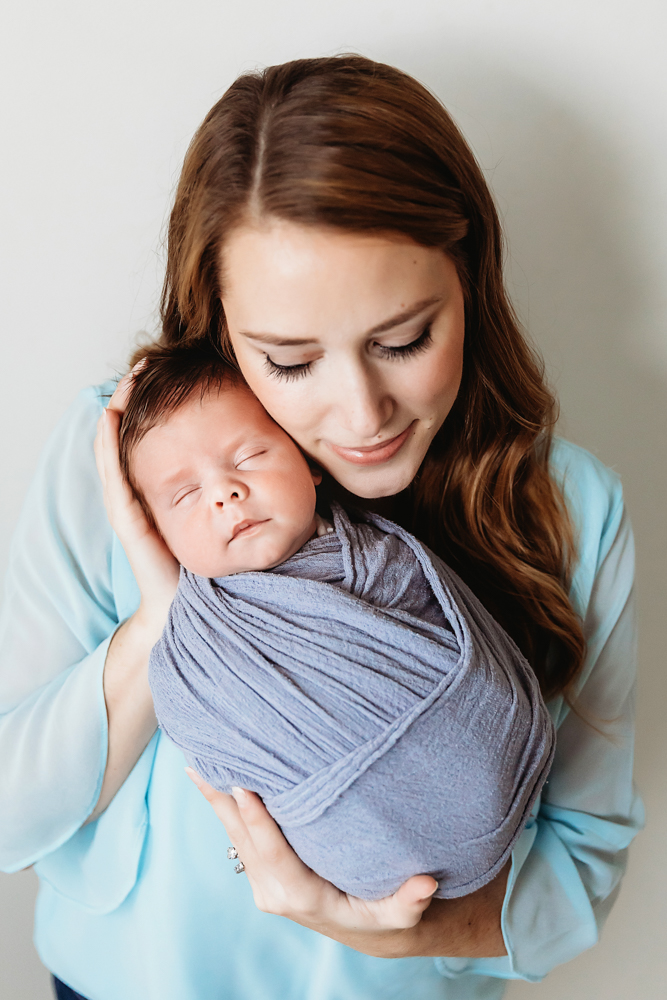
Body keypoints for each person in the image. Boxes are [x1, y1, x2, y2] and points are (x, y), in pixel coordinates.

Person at [0, 54, 642, 1000]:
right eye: (288, 361)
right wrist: (165, 617)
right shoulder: (120, 465)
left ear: (468, 281)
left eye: (402, 341)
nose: (360, 413)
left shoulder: (567, 510)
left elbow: (581, 868)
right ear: (219, 323)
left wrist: (395, 934)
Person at [119, 342, 554, 902]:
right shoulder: (192, 658)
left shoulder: (382, 559)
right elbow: (211, 744)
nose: (225, 494)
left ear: (310, 463)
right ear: (156, 530)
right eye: (184, 494)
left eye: (249, 457)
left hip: (497, 804)